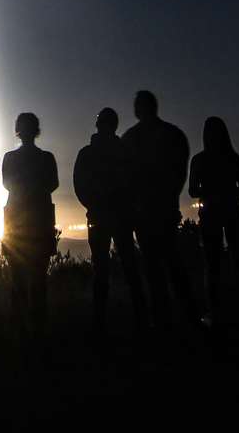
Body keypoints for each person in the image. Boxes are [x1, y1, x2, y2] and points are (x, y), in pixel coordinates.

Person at [122, 91, 201, 332]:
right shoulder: (174, 135)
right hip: (165, 208)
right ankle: (188, 312)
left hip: (145, 211)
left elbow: (125, 177)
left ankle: (162, 317)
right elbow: (179, 174)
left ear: (138, 109)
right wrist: (169, 197)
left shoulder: (131, 138)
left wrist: (136, 202)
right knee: (171, 258)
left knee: (153, 264)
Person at [72, 108, 148, 338]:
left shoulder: (89, 154)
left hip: (104, 217)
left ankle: (100, 325)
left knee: (103, 271)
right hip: (116, 217)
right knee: (126, 268)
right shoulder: (122, 152)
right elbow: (136, 181)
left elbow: (80, 187)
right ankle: (140, 322)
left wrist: (94, 206)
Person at [187, 116, 239, 328]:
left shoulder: (199, 160)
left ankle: (214, 315)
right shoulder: (233, 159)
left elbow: (191, 191)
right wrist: (227, 190)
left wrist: (208, 191)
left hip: (209, 213)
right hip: (233, 210)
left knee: (212, 263)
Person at [1, 112, 58, 340]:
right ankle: (39, 330)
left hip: (17, 222)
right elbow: (53, 183)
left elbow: (7, 183)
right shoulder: (47, 158)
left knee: (19, 278)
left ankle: (20, 330)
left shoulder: (9, 158)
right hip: (39, 221)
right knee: (38, 279)